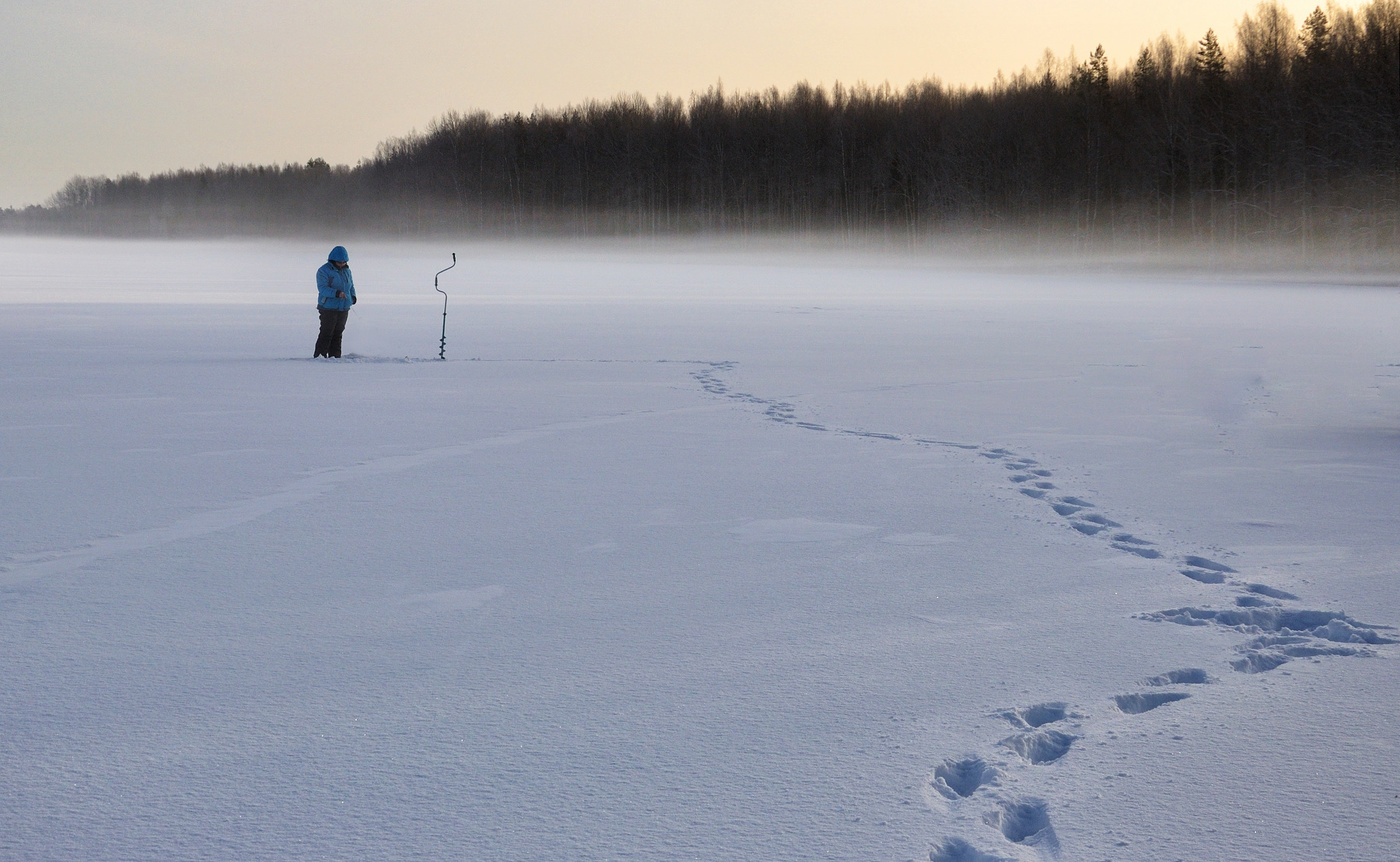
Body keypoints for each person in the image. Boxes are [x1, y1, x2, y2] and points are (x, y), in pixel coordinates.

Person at [314, 245, 357, 358]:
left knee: (338, 334)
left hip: (343, 308)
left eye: (343, 262)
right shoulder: (323, 271)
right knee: (327, 333)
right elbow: (322, 288)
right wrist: (337, 293)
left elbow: (351, 286)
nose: (342, 264)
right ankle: (320, 356)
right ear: (333, 260)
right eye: (339, 262)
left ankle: (335, 357)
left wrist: (353, 297)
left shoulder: (347, 270)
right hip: (328, 308)